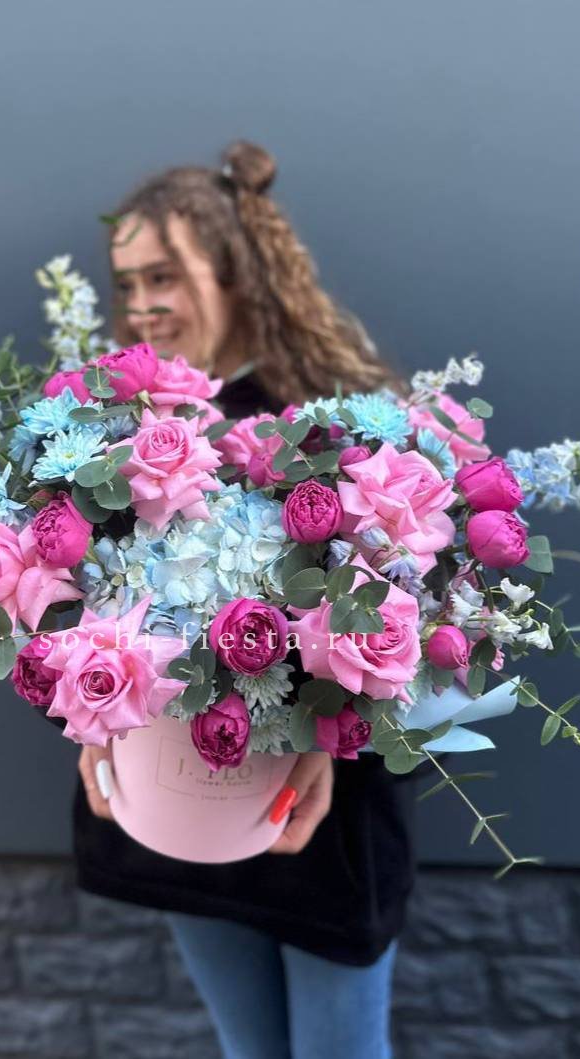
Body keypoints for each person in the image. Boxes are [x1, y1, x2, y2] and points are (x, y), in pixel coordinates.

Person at [76, 141, 416, 1059]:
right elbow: (78, 607)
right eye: (127, 283)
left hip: (317, 825)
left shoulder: (332, 415)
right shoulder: (121, 426)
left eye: (164, 276)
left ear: (234, 270)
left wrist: (330, 737)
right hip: (178, 815)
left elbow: (408, 620)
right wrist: (91, 718)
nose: (142, 304)